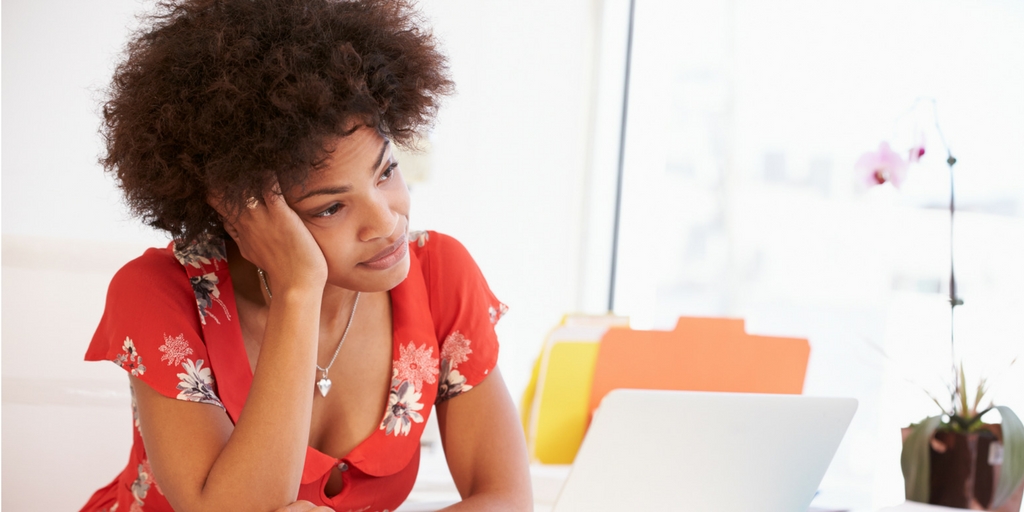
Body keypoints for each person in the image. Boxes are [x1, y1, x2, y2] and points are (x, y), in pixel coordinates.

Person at [79, 0, 532, 510]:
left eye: (386, 172)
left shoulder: (440, 275)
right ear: (241, 210)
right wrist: (298, 289)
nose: (386, 222)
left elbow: (505, 498)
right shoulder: (159, 293)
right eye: (332, 207)